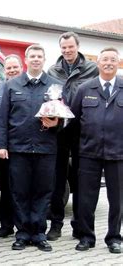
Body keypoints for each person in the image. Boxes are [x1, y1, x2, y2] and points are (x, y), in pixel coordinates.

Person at [0, 44, 61, 252]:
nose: (35, 59)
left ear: (44, 59)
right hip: (19, 149)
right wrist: (1, 145)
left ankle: (39, 233)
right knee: (19, 192)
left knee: (43, 192)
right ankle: (23, 233)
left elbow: (65, 117)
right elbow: (2, 118)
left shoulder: (55, 86)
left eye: (39, 56)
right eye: (32, 56)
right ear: (26, 59)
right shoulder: (12, 85)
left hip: (45, 148)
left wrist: (58, 123)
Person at [46, 31, 99, 241]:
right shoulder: (53, 70)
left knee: (81, 181)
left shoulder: (91, 69)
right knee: (57, 180)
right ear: (60, 49)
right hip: (58, 132)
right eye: (64, 47)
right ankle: (56, 224)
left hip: (82, 131)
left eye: (71, 47)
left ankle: (80, 226)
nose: (67, 50)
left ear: (78, 47)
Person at [70, 47, 122, 254]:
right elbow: (72, 121)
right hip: (88, 153)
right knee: (85, 198)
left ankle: (114, 238)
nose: (108, 63)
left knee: (117, 199)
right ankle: (86, 236)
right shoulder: (85, 88)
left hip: (118, 153)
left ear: (118, 63)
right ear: (98, 63)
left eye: (112, 60)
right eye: (105, 60)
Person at [0, 54, 23, 238]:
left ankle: (22, 225)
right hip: (3, 146)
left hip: (22, 145)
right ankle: (6, 225)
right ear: (4, 71)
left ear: (21, 68)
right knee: (6, 188)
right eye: (8, 68)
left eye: (15, 67)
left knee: (22, 187)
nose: (12, 71)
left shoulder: (27, 86)